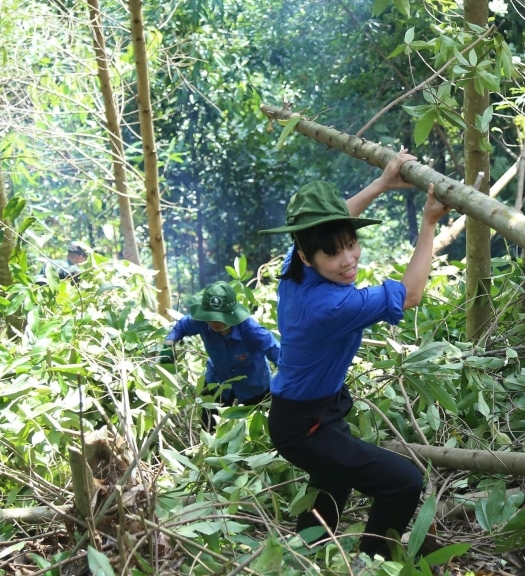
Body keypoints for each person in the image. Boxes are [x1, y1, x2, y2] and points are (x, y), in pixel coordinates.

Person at [260, 152, 449, 560]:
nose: (348, 260)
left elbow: (328, 224)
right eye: (333, 254)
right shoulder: (329, 307)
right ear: (308, 256)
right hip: (302, 425)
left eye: (351, 244)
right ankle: (374, 562)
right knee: (403, 482)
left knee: (333, 479)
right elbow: (411, 294)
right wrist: (429, 222)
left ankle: (304, 556)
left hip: (312, 412)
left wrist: (381, 184)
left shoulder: (297, 268)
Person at [164, 281, 280, 431]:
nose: (214, 322)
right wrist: (169, 344)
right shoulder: (200, 322)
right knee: (209, 430)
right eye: (210, 317)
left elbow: (278, 354)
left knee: (260, 430)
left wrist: (284, 386)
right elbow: (181, 327)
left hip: (254, 387)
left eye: (219, 318)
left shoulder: (251, 330)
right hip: (217, 382)